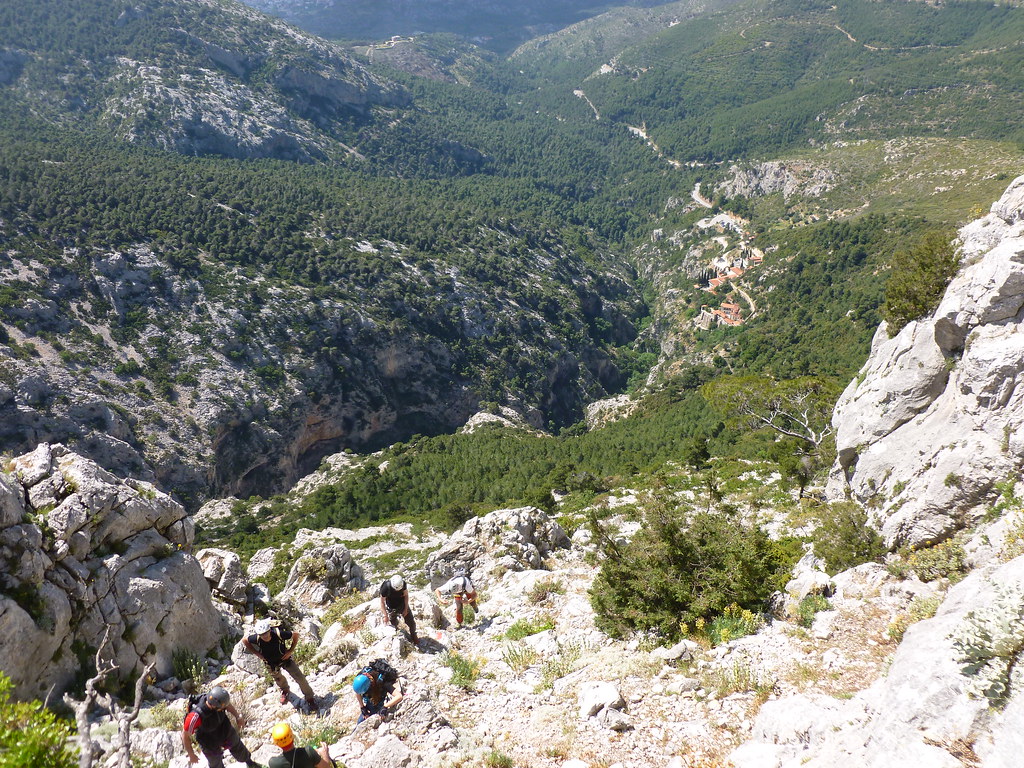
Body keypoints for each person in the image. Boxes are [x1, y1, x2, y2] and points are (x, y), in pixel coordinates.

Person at [243, 618, 318, 713]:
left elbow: (295, 634)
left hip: (285, 660)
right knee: (278, 678)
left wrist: (290, 650)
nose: (264, 636)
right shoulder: (256, 638)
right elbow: (245, 640)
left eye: (266, 633)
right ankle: (285, 690)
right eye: (262, 634)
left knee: (300, 678)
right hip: (270, 663)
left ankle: (310, 698)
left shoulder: (279, 634)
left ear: (269, 630)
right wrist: (258, 654)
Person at [182, 685, 263, 768]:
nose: (225, 708)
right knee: (215, 762)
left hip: (224, 728)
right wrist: (191, 754)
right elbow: (185, 735)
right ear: (214, 706)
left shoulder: (217, 701)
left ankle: (250, 763)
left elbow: (227, 705)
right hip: (208, 740)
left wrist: (238, 717)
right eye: (222, 707)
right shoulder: (195, 716)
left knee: (237, 746)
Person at [268, 722, 333, 768]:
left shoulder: (274, 763)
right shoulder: (308, 752)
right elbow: (326, 766)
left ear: (277, 744)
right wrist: (325, 755)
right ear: (292, 737)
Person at [380, 573, 419, 645]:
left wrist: (406, 608)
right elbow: (382, 602)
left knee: (411, 622)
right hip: (391, 607)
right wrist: (385, 615)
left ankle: (413, 634)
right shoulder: (385, 587)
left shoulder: (403, 584)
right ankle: (397, 633)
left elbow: (406, 595)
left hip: (401, 604)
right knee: (393, 623)